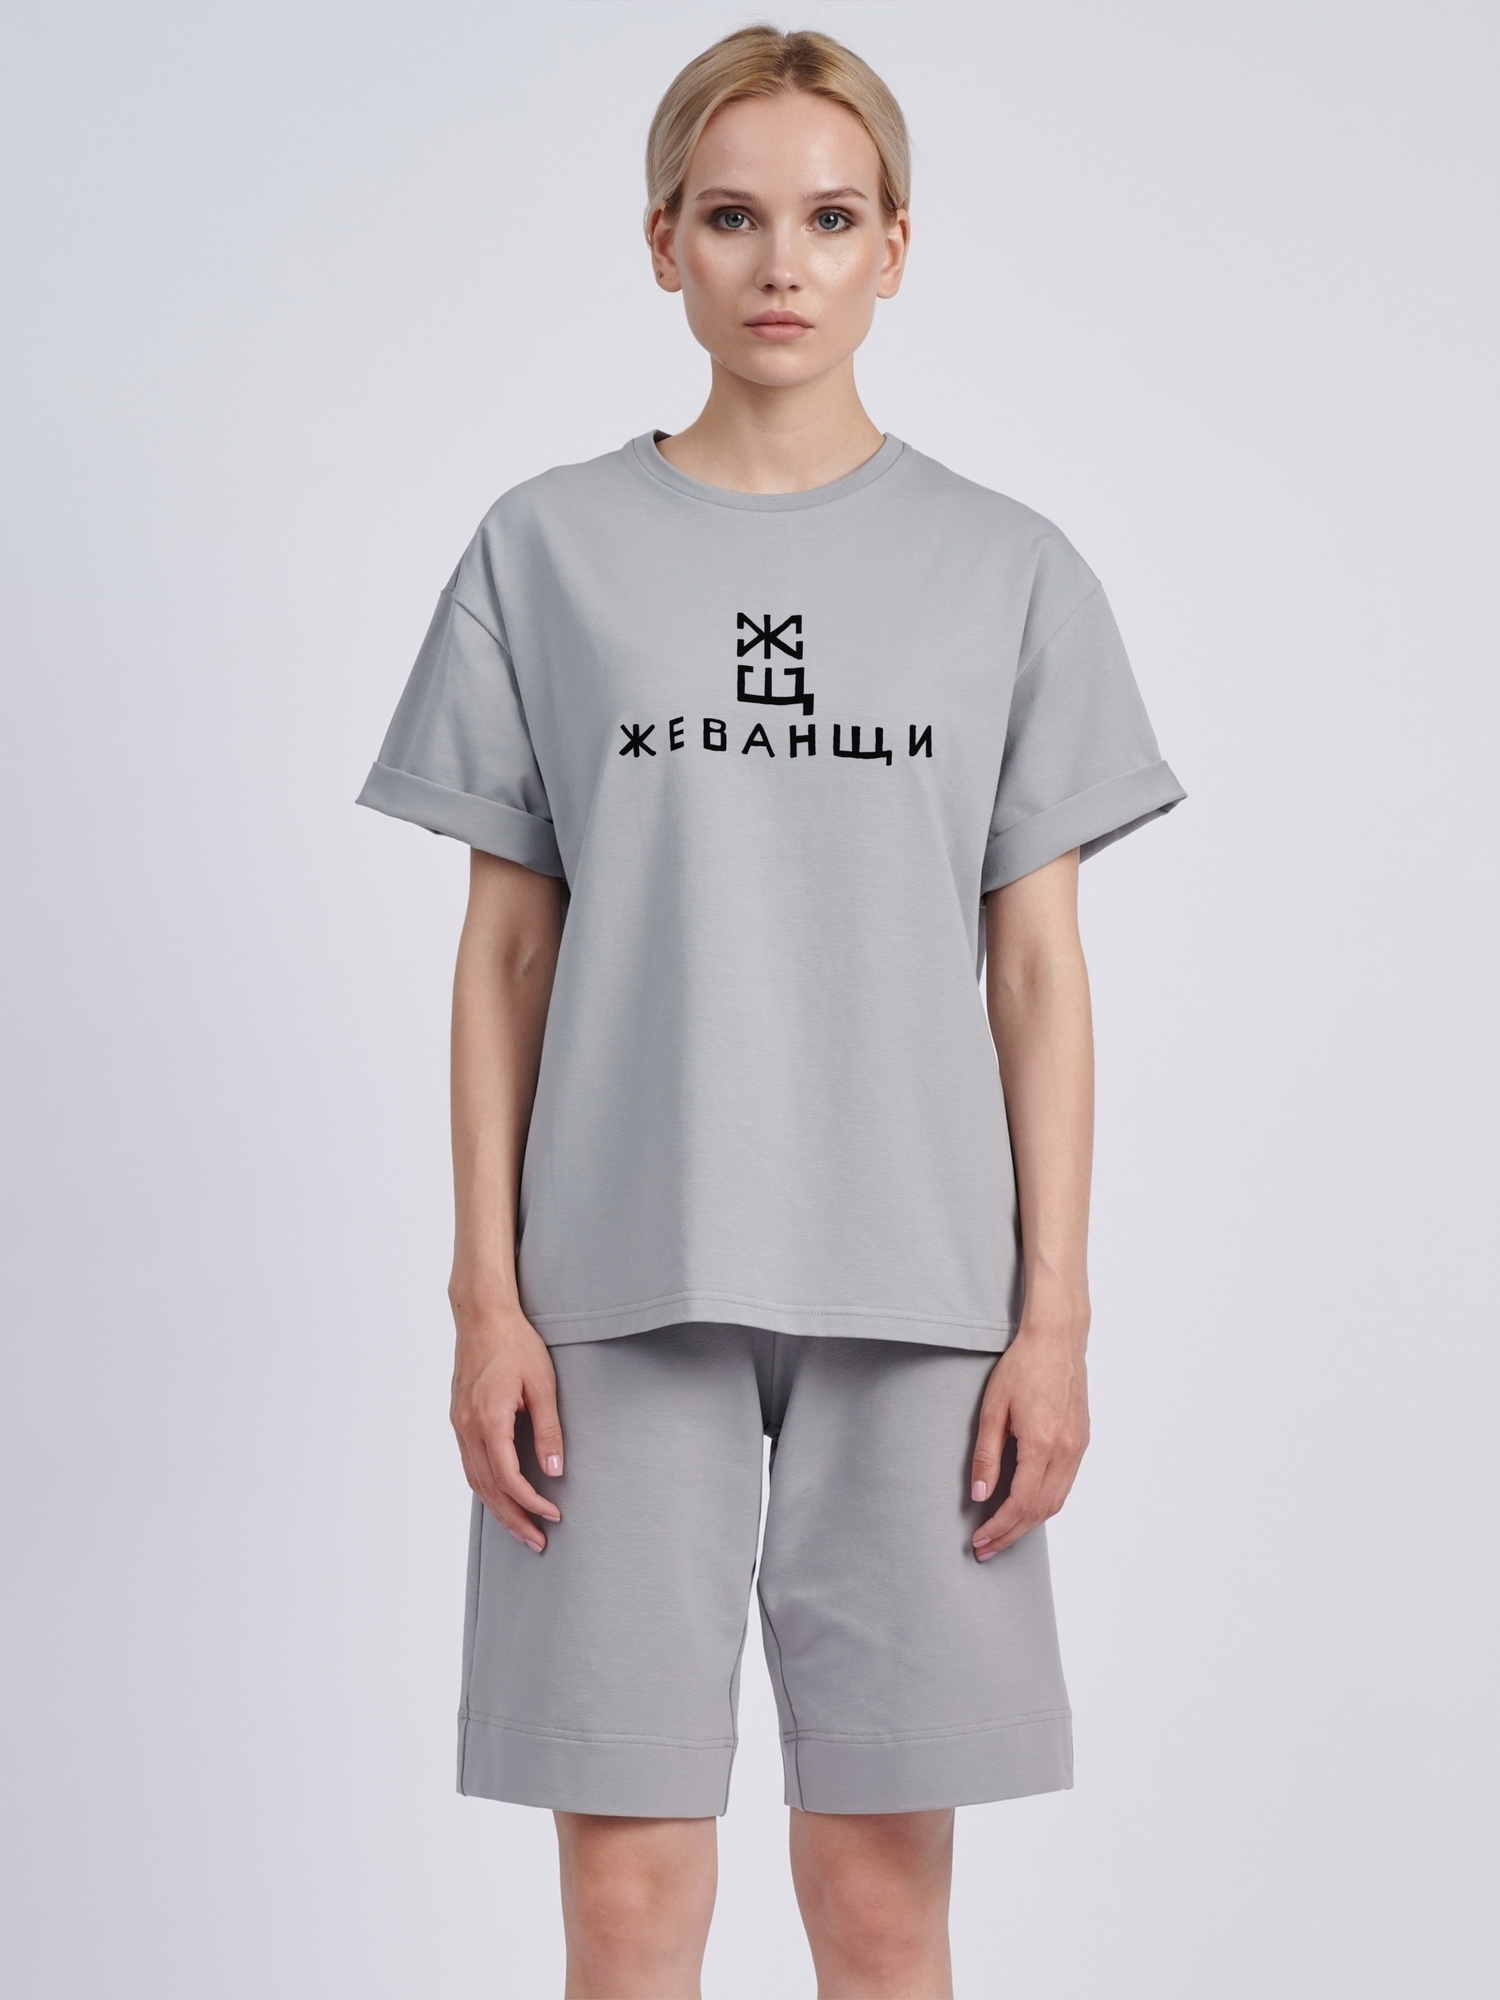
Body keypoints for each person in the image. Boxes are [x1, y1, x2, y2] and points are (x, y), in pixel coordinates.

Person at [356, 23, 1186, 2000]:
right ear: (663, 244)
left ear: (898, 246)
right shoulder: (544, 551)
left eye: (829, 218)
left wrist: (1054, 1317)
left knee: (884, 1907)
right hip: (614, 1291)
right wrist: (485, 1299)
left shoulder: (1009, 571)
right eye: (732, 218)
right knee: (629, 1908)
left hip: (921, 1303)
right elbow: (503, 952)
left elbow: (1041, 969)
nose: (781, 264)